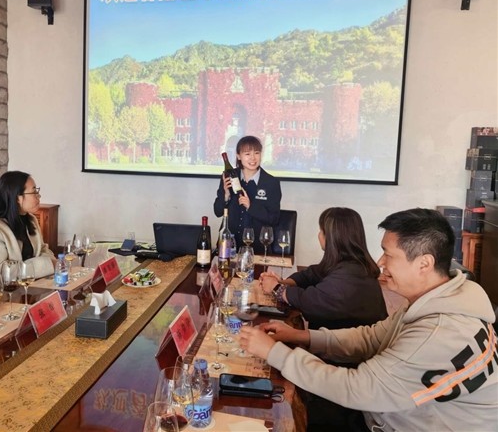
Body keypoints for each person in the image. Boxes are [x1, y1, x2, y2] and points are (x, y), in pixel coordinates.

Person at [240, 208, 497, 431]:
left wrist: (274, 353)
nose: (380, 262)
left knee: (273, 413)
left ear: (424, 264)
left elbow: (358, 388)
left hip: (388, 420)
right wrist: (301, 336)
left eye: (388, 254)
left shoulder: (438, 333)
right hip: (390, 410)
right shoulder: (438, 301)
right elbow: (370, 338)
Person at [259, 207, 387, 330]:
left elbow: (310, 301)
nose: (318, 235)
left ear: (331, 237)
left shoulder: (348, 276)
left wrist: (277, 288)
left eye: (321, 231)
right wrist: (283, 282)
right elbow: (311, 274)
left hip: (345, 344)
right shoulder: (352, 263)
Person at [0, 171, 56, 292]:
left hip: (31, 290)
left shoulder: (31, 220)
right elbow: (2, 274)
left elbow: (43, 250)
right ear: (17, 198)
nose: (39, 196)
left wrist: (50, 263)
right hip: (1, 297)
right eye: (34, 192)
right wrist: (46, 265)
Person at [212, 135, 281, 253]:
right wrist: (226, 195)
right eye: (247, 154)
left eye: (257, 153)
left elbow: (274, 219)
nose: (253, 158)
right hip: (228, 245)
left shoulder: (271, 183)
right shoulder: (229, 176)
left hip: (257, 248)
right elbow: (217, 212)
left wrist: (251, 206)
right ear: (238, 156)